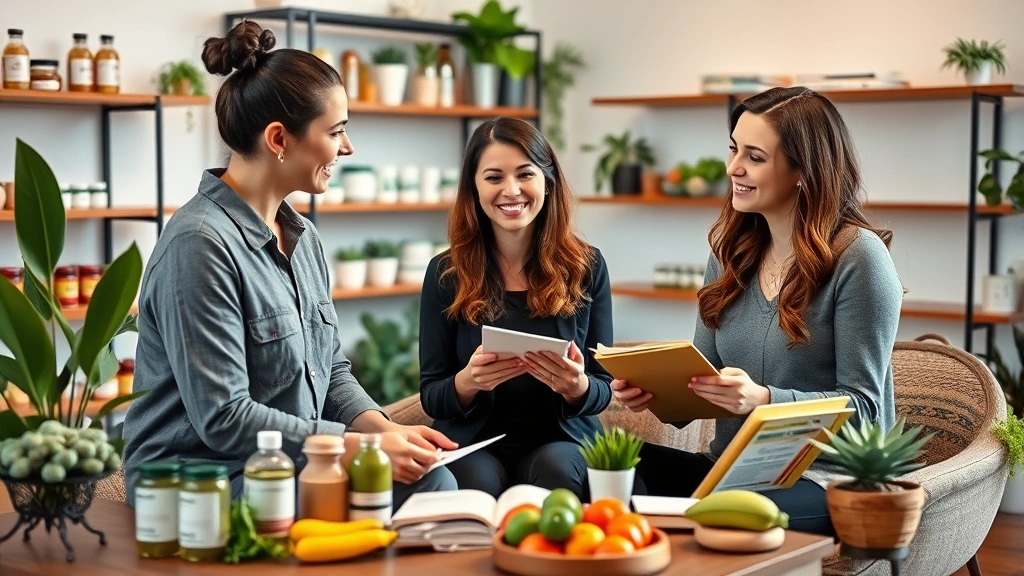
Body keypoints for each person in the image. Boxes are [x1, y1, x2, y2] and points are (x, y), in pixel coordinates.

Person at [122, 20, 457, 508]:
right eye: (336, 131)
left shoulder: (303, 237)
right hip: (198, 484)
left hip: (285, 466)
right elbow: (224, 418)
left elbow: (331, 370)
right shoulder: (199, 246)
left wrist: (387, 432)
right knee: (424, 489)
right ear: (279, 138)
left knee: (434, 476)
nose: (347, 147)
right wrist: (356, 447)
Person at [612, 87, 904, 535]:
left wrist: (766, 401)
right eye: (733, 149)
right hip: (730, 472)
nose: (734, 168)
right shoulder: (729, 254)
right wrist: (658, 392)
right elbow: (702, 380)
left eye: (755, 156)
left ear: (803, 170)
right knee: (598, 467)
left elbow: (865, 410)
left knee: (728, 508)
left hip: (829, 480)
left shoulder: (859, 259)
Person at [418, 117, 614, 500]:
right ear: (473, 188)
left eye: (525, 174)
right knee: (474, 482)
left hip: (563, 441)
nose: (511, 191)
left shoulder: (587, 267)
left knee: (556, 471)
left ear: (547, 180)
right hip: (475, 442)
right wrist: (467, 382)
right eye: (494, 178)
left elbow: (604, 386)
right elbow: (431, 393)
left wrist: (578, 387)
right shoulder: (446, 273)